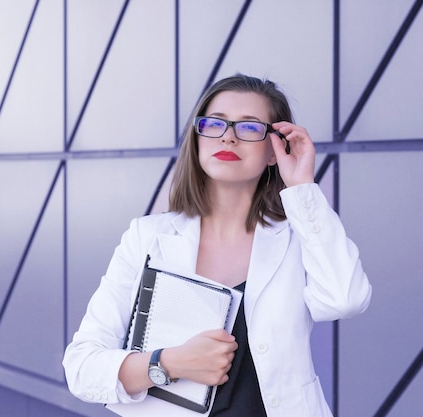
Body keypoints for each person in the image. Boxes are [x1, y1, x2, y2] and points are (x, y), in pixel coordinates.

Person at [62, 74, 371, 416]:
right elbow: (82, 367)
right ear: (197, 138)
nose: (228, 136)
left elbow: (346, 300)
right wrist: (168, 363)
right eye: (215, 123)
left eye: (249, 128)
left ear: (274, 149)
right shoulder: (147, 238)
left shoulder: (301, 238)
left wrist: (302, 189)